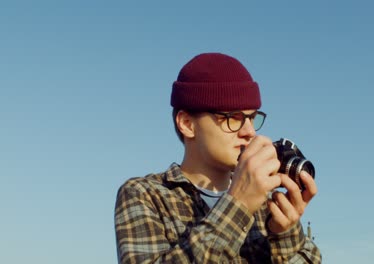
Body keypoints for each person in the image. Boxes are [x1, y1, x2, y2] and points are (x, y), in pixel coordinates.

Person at [114, 53, 321, 263]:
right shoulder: (145, 195)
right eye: (233, 118)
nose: (249, 131)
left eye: (251, 118)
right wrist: (237, 205)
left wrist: (284, 233)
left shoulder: (265, 203)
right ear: (187, 123)